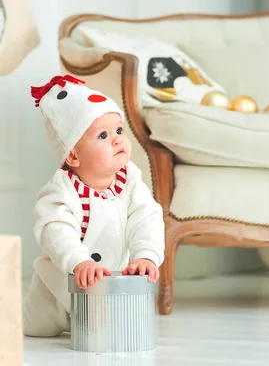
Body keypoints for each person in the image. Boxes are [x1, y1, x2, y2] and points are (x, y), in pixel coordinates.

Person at [23, 75, 165, 337]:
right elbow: (55, 229)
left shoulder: (130, 181)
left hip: (107, 286)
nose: (117, 140)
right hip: (58, 290)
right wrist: (79, 261)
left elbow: (147, 218)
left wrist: (146, 254)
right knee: (33, 328)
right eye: (103, 135)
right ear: (73, 155)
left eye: (119, 131)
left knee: (106, 332)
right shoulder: (62, 189)